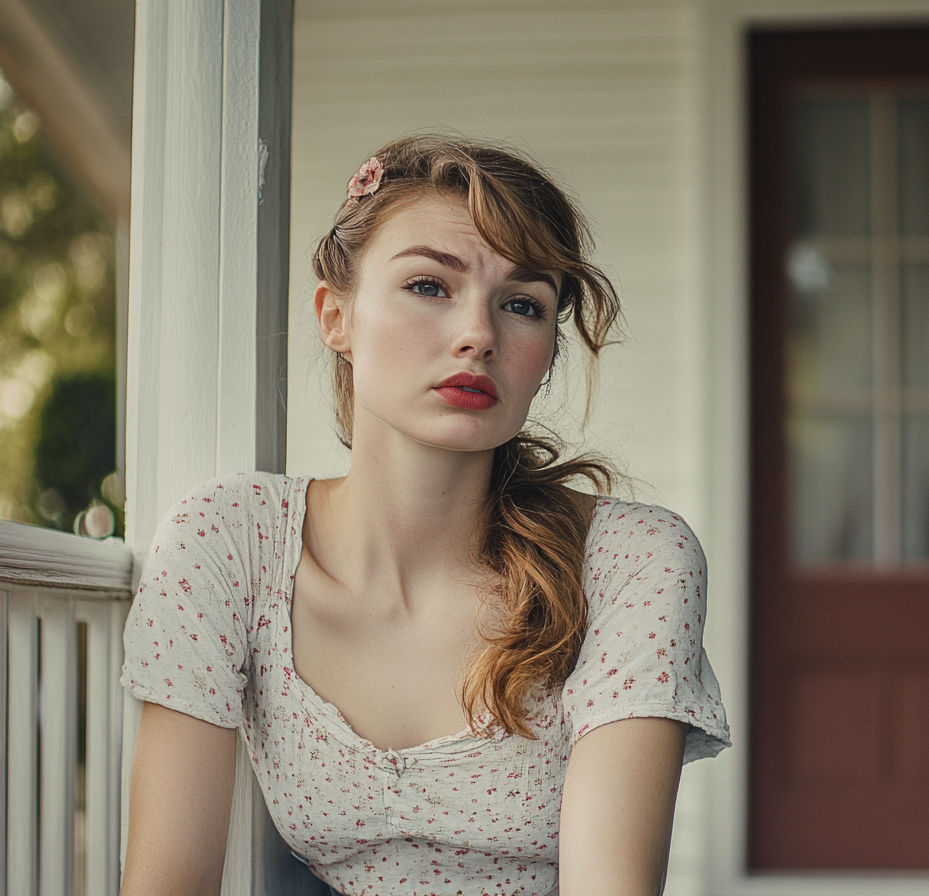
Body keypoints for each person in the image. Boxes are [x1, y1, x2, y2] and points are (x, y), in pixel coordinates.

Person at [118, 135, 730, 896]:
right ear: (334, 317)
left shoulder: (632, 560)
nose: (479, 334)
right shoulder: (228, 540)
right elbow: (165, 881)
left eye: (521, 305)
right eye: (429, 287)